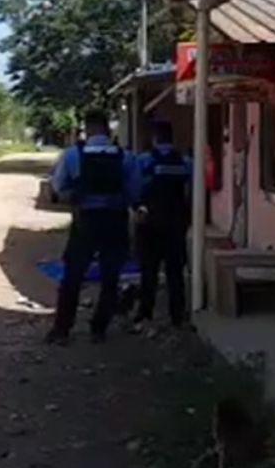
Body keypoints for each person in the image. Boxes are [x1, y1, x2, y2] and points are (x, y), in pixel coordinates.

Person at [46, 108, 137, 344]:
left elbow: (59, 187)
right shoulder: (126, 157)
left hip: (85, 221)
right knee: (110, 277)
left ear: (87, 129)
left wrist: (75, 197)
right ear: (108, 129)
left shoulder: (72, 155)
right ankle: (99, 329)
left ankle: (62, 329)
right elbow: (134, 192)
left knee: (73, 276)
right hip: (115, 221)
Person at [132, 120, 193, 329]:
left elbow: (135, 189)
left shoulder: (144, 161)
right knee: (175, 272)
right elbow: (191, 191)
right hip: (176, 224)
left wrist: (137, 209)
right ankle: (177, 315)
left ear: (154, 138)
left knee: (148, 270)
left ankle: (145, 312)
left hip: (150, 223)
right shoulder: (185, 162)